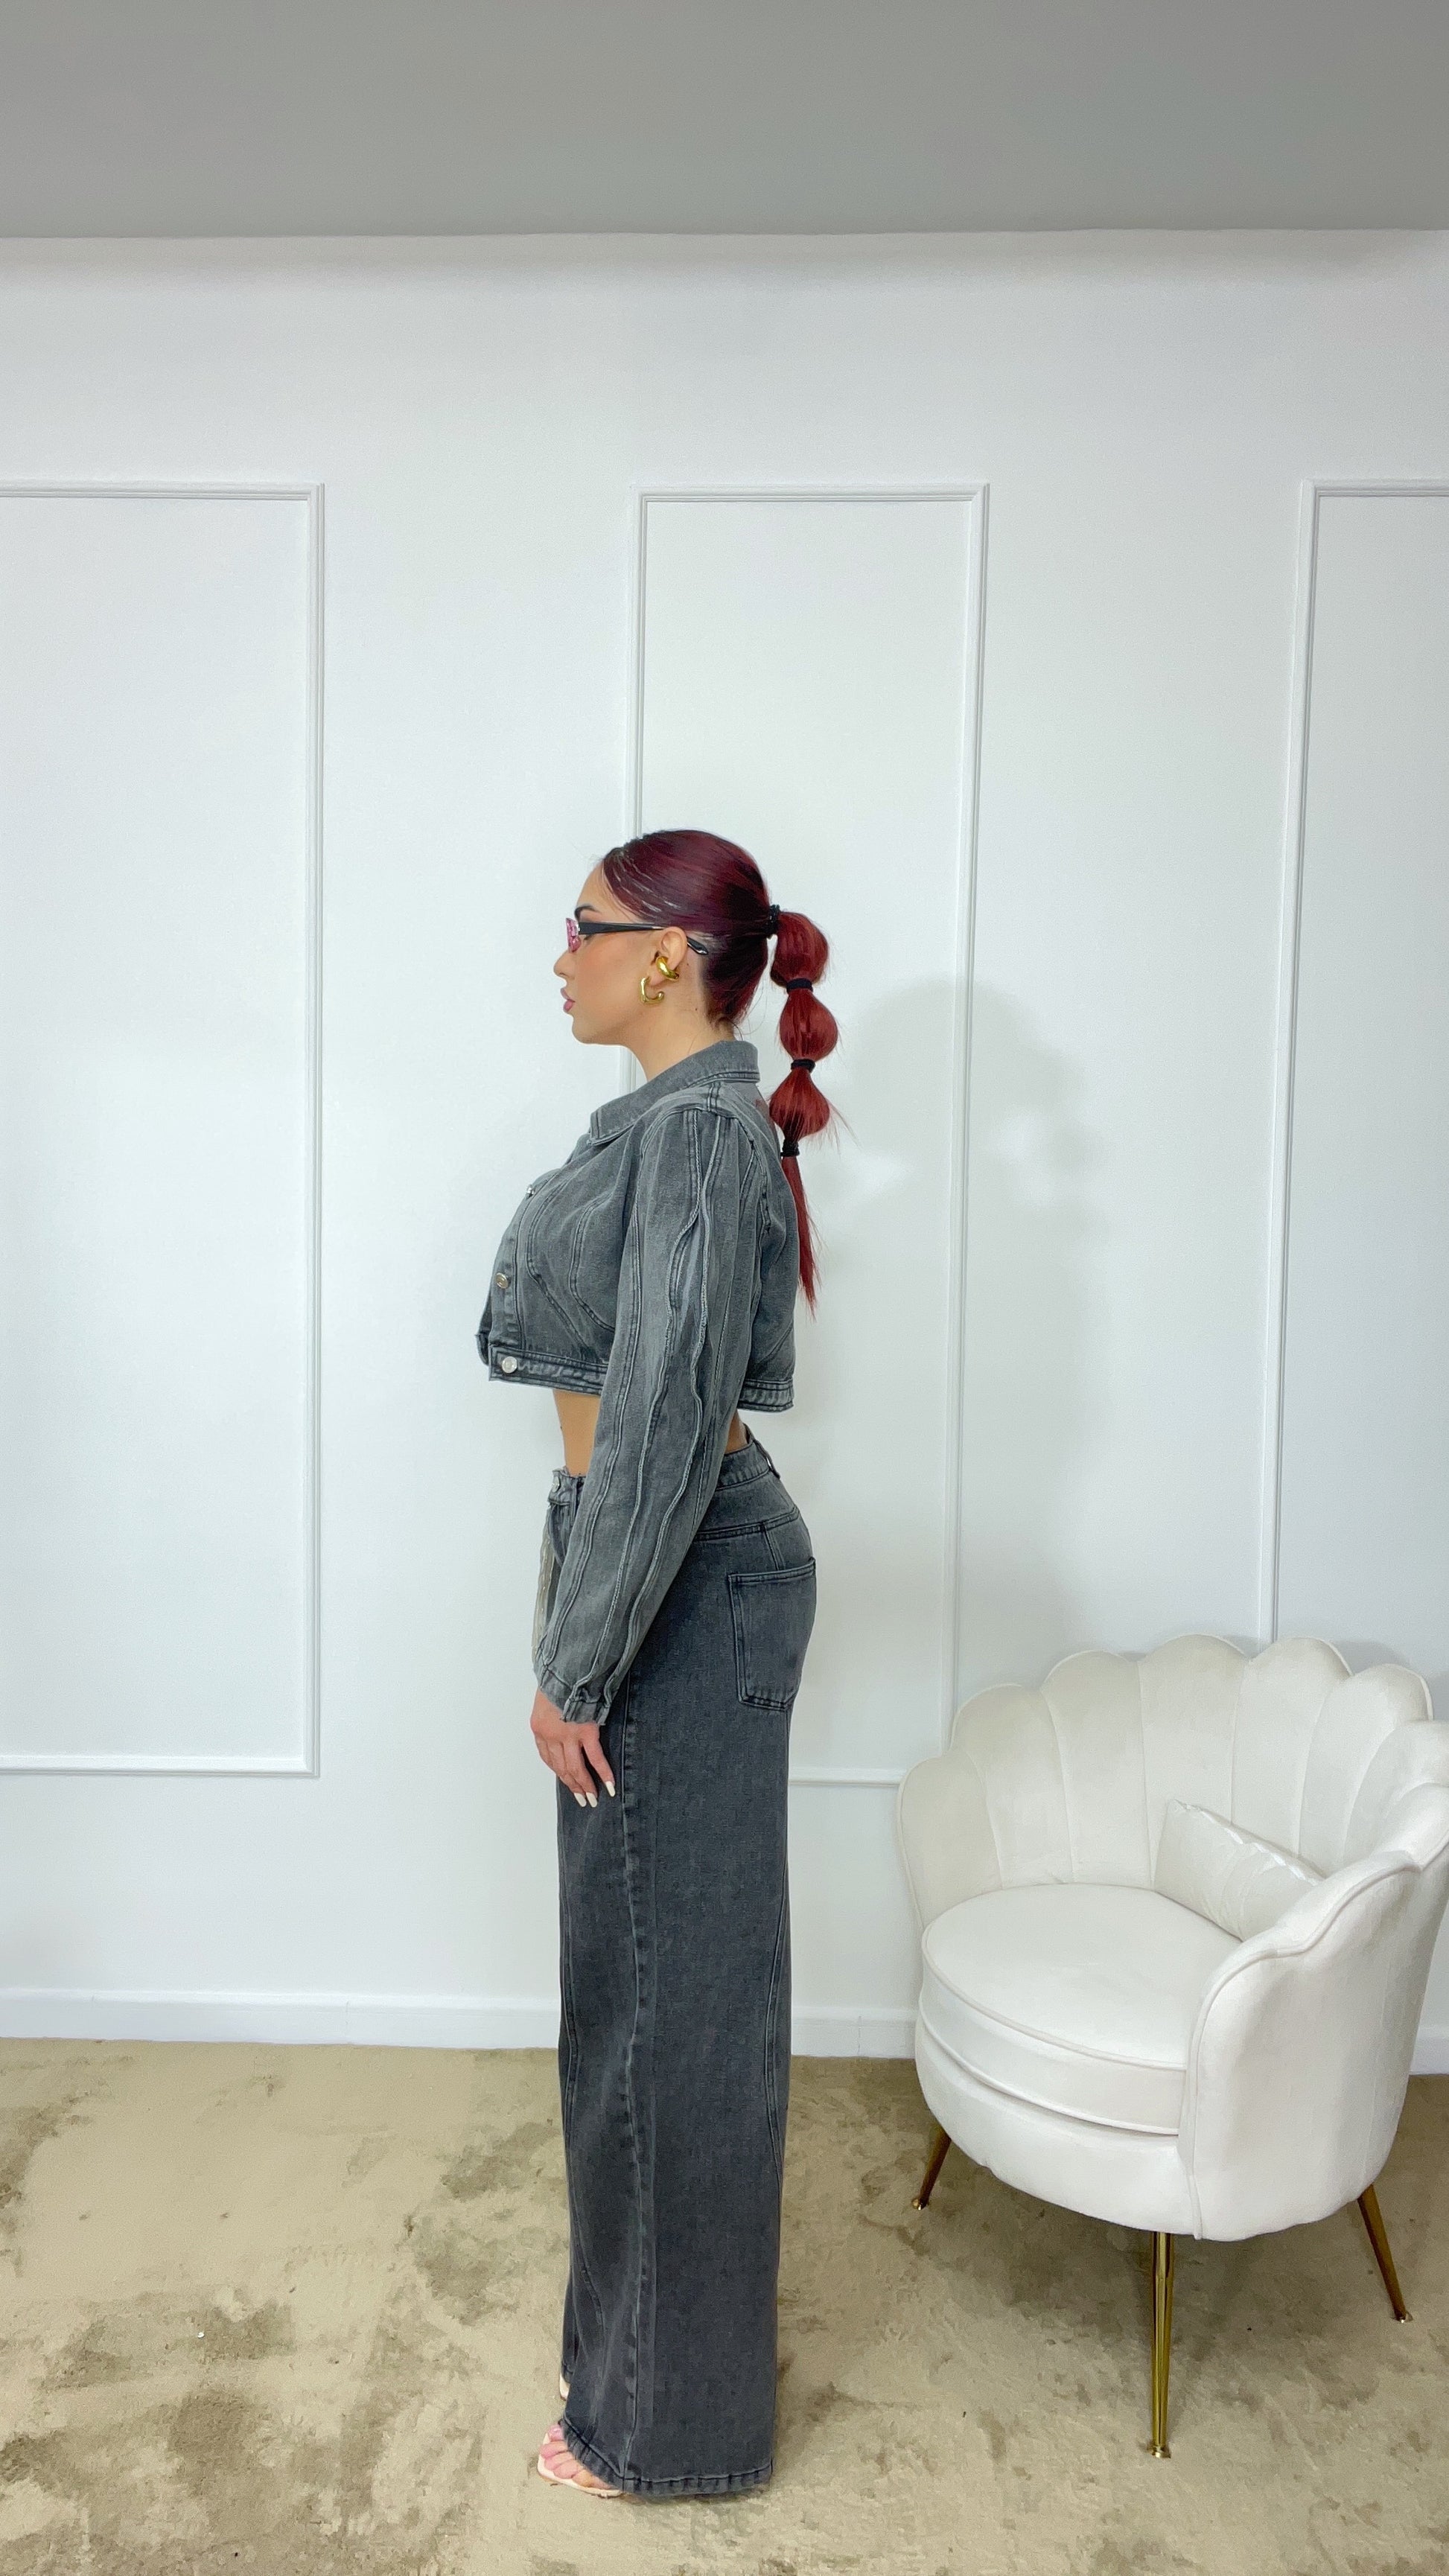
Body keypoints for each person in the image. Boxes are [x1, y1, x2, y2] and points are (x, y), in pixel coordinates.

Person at [474, 826, 838, 2500]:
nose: (559, 956)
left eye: (582, 926)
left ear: (666, 956)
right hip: (650, 1562)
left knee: (665, 2021)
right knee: (646, 2001)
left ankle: (667, 2430)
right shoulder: (676, 1122)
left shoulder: (694, 1134)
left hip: (676, 1576)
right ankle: (658, 2382)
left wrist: (577, 1660)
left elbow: (664, 1429)